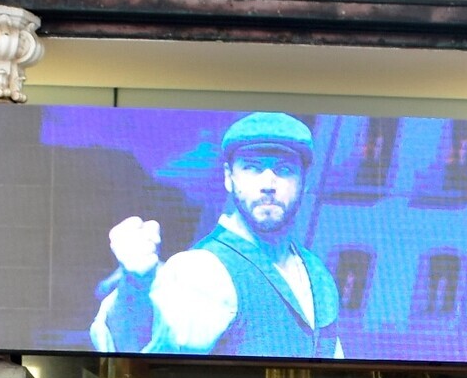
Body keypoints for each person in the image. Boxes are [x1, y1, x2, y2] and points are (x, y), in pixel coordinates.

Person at [93, 111, 345, 357]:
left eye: (284, 169)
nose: (268, 184)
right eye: (252, 168)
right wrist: (134, 287)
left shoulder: (317, 272)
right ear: (228, 177)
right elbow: (143, 354)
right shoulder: (202, 269)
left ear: (305, 180)